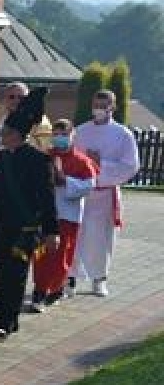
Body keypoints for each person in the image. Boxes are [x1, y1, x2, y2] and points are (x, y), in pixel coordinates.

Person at [0, 89, 59, 338]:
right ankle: (9, 319)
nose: (2, 136)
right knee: (3, 274)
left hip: (25, 229)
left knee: (16, 276)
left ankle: (4, 322)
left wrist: (52, 231)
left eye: (6, 133)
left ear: (18, 135)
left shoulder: (40, 161)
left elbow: (47, 199)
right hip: (1, 225)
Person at [71, 90, 141, 297]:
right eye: (97, 104)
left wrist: (101, 163)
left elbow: (130, 166)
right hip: (80, 194)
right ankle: (70, 279)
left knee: (101, 239)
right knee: (75, 237)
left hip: (104, 195)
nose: (99, 109)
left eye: (104, 105)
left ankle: (99, 278)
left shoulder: (122, 134)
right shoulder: (81, 131)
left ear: (113, 107)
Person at [29, 119, 96, 311]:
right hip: (45, 214)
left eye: (64, 134)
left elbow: (89, 186)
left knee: (61, 254)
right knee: (41, 254)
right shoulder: (45, 157)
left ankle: (56, 287)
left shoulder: (82, 160)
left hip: (68, 215)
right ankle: (40, 289)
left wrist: (66, 181)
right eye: (56, 134)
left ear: (72, 135)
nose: (60, 138)